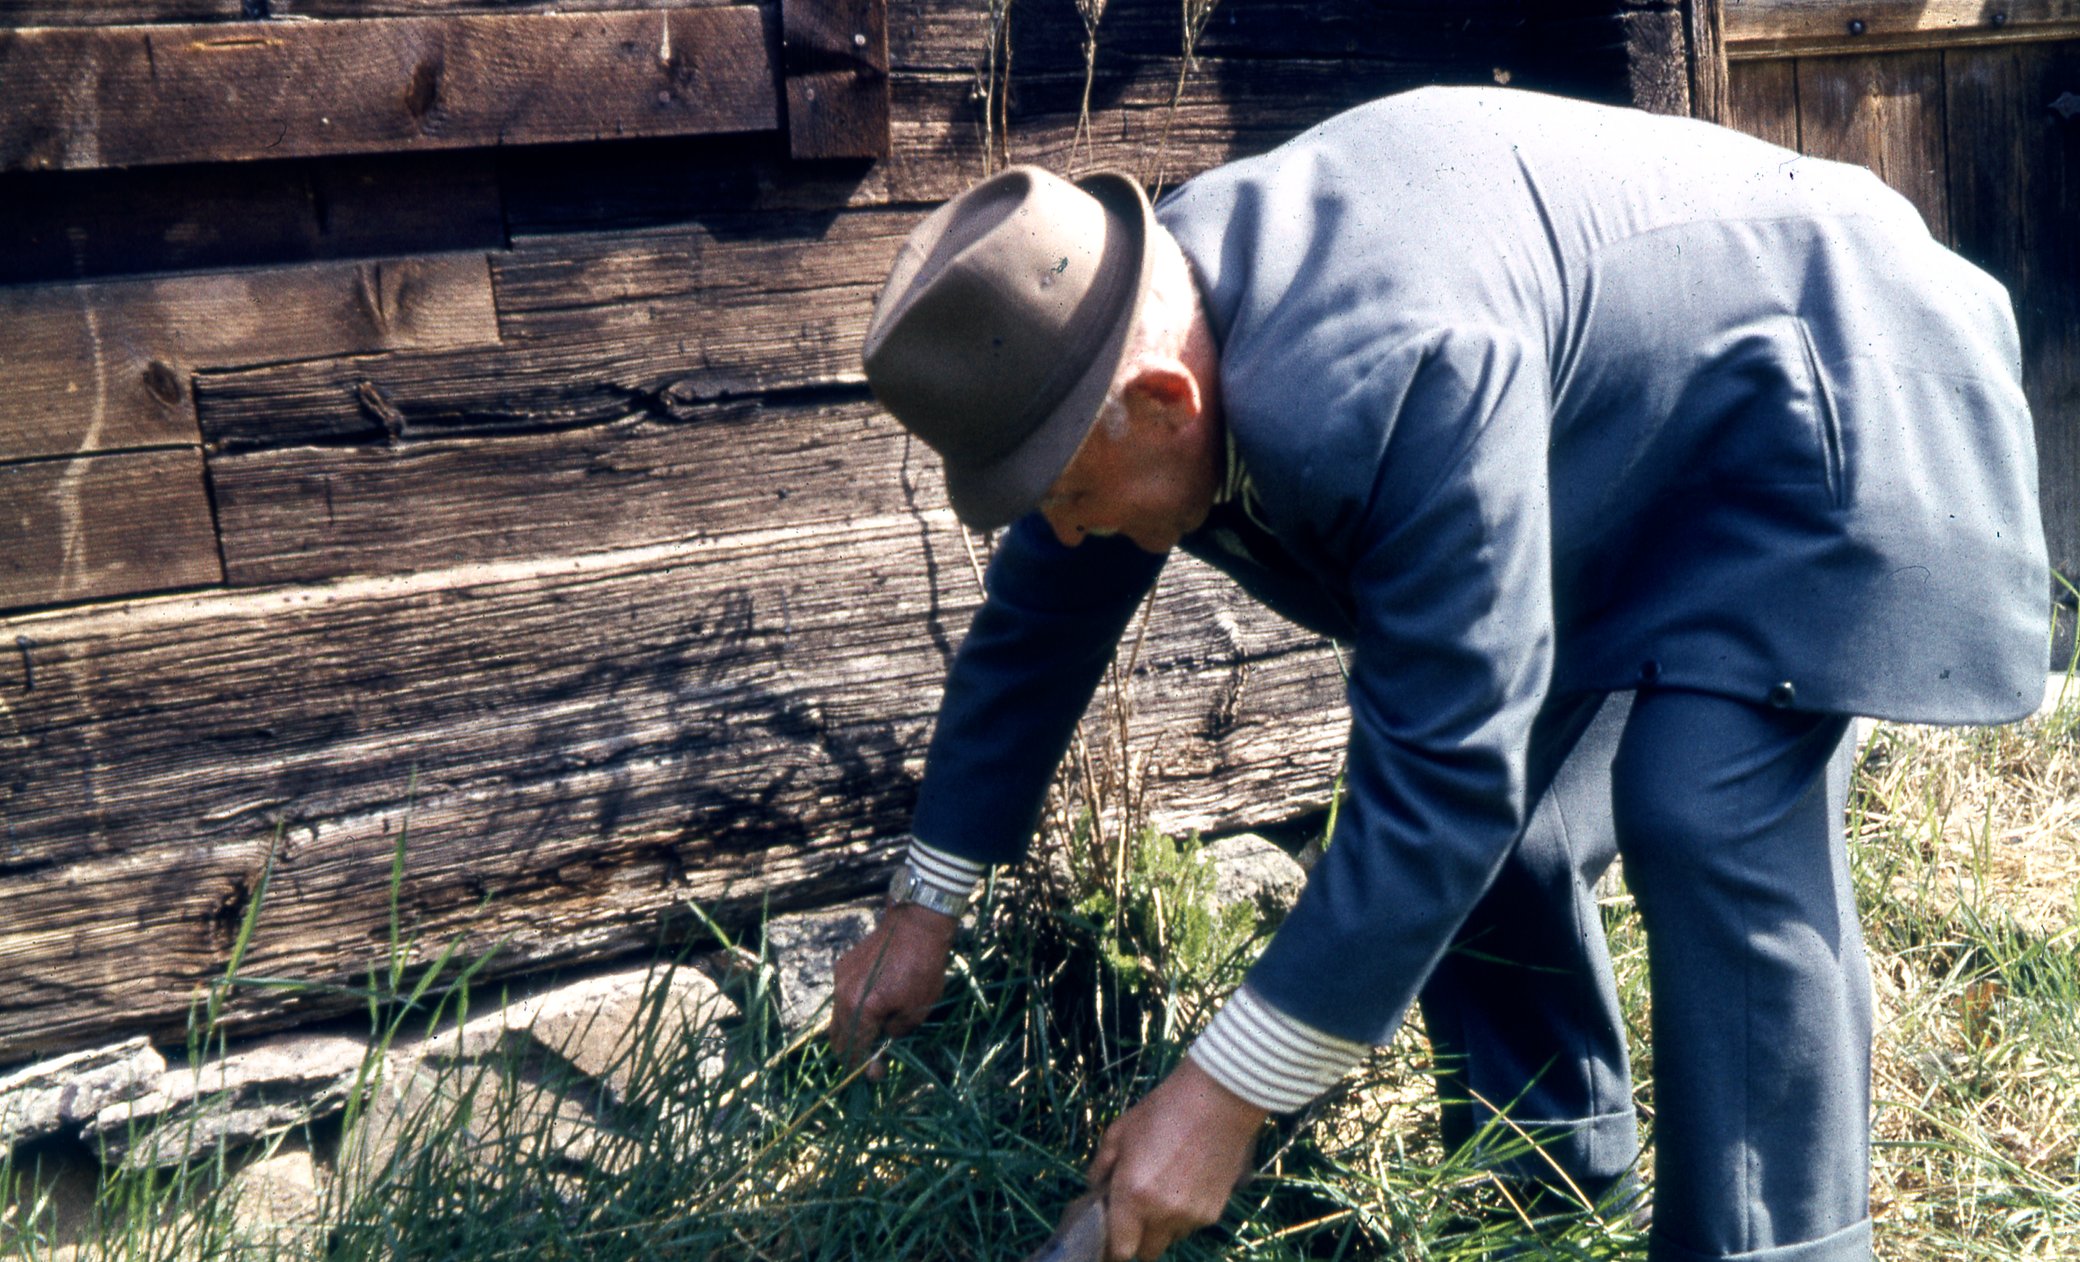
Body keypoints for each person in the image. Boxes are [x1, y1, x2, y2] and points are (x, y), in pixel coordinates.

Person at [828, 86, 2050, 1262]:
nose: (1074, 530)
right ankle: (1540, 1187)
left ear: (1159, 400)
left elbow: (1441, 782)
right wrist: (923, 903)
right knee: (1510, 838)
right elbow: (1040, 621)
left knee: (1703, 808)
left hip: (1816, 367)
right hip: (1610, 446)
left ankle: (1774, 1246)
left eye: (1074, 497)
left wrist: (1223, 1097)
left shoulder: (1387, 363)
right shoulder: (1121, 332)